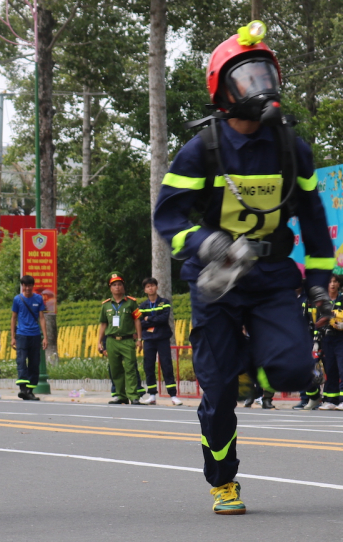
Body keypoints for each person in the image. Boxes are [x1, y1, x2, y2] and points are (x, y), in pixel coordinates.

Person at [153, 21, 333, 514]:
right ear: (223, 93)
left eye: (265, 75)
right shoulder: (201, 150)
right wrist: (205, 241)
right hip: (216, 284)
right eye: (247, 78)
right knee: (218, 394)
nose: (260, 87)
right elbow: (167, 218)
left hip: (272, 278)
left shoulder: (291, 148)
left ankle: (248, 371)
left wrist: (320, 287)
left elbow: (315, 225)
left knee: (296, 369)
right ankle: (223, 481)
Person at [97, 272, 143, 405]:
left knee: (130, 368)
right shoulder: (106, 305)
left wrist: (139, 339)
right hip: (111, 340)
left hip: (127, 340)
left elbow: (137, 321)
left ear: (123, 287)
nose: (117, 287)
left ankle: (133, 396)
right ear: (110, 288)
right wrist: (99, 342)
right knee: (115, 369)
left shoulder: (131, 303)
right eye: (114, 285)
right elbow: (103, 324)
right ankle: (121, 395)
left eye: (119, 284)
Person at [138, 278, 182, 406]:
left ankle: (173, 395)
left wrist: (149, 319)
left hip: (162, 338)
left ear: (157, 287)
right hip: (148, 339)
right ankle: (152, 395)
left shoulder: (164, 302)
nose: (150, 288)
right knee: (148, 366)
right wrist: (151, 320)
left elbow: (164, 319)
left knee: (167, 365)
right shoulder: (142, 306)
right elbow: (140, 322)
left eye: (152, 286)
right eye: (148, 287)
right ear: (145, 290)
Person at [11, 275, 49, 400]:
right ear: (22, 286)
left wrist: (45, 337)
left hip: (35, 335)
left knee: (34, 363)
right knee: (21, 361)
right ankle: (23, 389)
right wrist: (13, 337)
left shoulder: (38, 299)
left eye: (29, 286)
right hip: (21, 335)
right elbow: (13, 318)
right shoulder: (17, 299)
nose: (27, 288)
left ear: (33, 286)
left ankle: (30, 391)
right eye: (25, 286)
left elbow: (42, 318)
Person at [317, 274, 343, 410]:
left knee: (342, 368)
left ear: (339, 284)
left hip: (341, 338)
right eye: (330, 282)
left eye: (335, 282)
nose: (332, 284)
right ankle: (331, 400)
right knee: (330, 368)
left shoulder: (342, 299)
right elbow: (316, 320)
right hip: (327, 338)